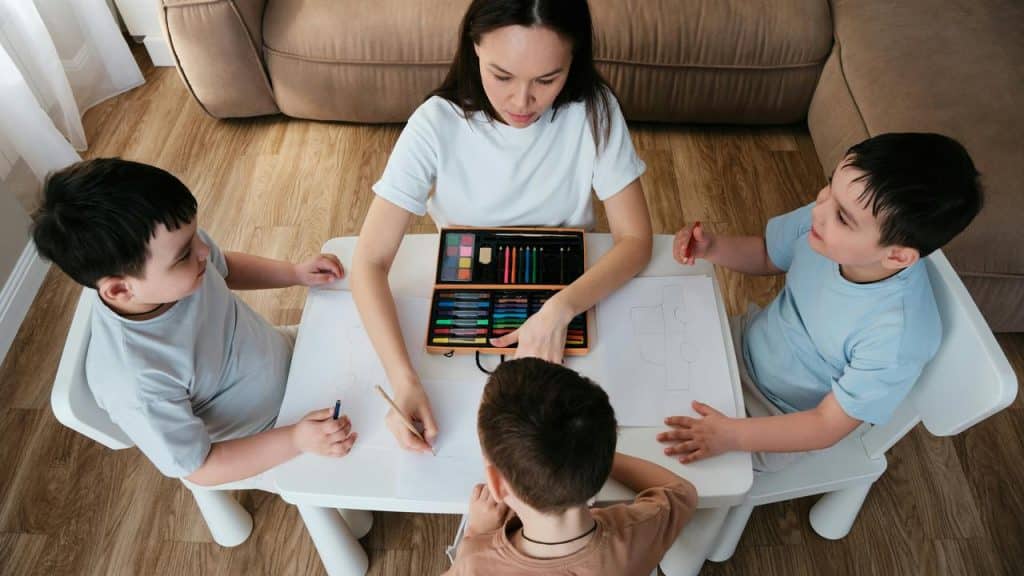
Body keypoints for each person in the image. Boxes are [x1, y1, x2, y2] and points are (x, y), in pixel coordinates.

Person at [352, 0, 653, 453]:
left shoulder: (594, 111)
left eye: (547, 79)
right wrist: (403, 379)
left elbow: (636, 240)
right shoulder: (435, 125)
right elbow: (369, 262)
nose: (522, 101)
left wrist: (561, 307)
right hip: (468, 295)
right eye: (502, 75)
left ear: (574, 60)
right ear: (475, 47)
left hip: (575, 290)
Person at [659, 133, 984, 472]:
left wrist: (732, 436)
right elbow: (769, 254)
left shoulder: (897, 336)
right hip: (740, 343)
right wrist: (713, 248)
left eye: (843, 217)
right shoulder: (825, 223)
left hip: (778, 417)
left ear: (898, 256)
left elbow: (826, 425)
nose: (819, 208)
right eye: (830, 186)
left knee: (673, 468)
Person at [33, 158, 357, 485]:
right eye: (185, 253)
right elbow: (200, 468)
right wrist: (295, 440)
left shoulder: (181, 264)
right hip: (267, 435)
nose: (204, 250)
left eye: (195, 236)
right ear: (120, 289)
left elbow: (224, 265)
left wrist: (294, 273)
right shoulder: (134, 380)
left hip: (287, 354)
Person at [445, 358, 696, 575]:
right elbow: (681, 491)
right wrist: (589, 453)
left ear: (497, 484)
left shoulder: (475, 563)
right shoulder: (634, 535)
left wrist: (476, 534)